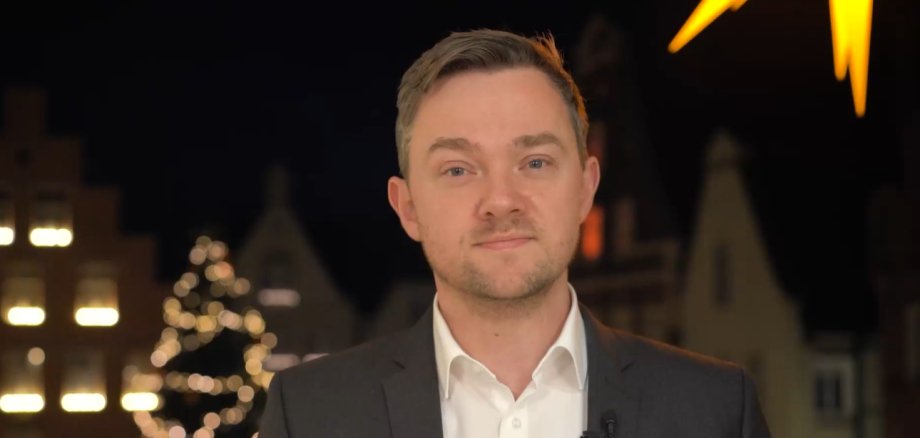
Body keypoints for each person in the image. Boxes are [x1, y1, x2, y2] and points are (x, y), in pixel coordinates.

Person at [259, 29, 771, 438]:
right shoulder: (310, 414)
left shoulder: (716, 410)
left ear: (585, 188)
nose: (501, 200)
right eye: (458, 169)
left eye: (535, 161)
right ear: (408, 207)